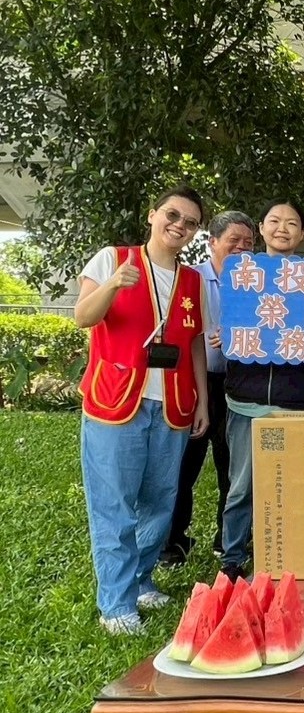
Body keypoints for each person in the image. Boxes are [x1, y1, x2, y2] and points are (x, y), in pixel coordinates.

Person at [75, 187, 210, 635]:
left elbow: (193, 344)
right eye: (172, 214)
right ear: (153, 214)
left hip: (173, 403)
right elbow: (83, 316)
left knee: (160, 500)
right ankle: (115, 604)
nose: (179, 225)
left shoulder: (192, 281)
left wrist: (202, 400)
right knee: (114, 503)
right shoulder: (112, 259)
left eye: (190, 222)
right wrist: (114, 284)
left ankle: (140, 580)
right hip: (116, 399)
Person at [221, 199, 304, 580]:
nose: (282, 229)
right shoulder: (241, 274)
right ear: (260, 228)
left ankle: (285, 558)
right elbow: (224, 322)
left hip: (294, 402)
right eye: (274, 221)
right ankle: (232, 559)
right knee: (242, 487)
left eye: (292, 223)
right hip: (246, 400)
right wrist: (224, 334)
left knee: (289, 486)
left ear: (303, 233)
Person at [160, 210, 255, 567]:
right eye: (234, 241)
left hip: (239, 384)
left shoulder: (258, 281)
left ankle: (226, 540)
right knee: (185, 463)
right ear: (212, 242)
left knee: (232, 467)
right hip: (196, 382)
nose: (242, 248)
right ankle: (172, 542)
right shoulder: (190, 279)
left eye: (249, 243)